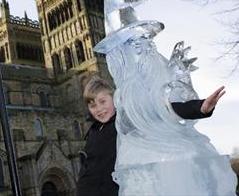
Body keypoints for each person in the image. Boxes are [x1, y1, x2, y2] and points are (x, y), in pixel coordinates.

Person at [76, 76, 226, 196]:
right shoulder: (92, 132)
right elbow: (87, 172)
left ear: (114, 99)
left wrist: (200, 107)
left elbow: (160, 112)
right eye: (92, 105)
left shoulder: (125, 121)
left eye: (103, 101)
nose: (99, 109)